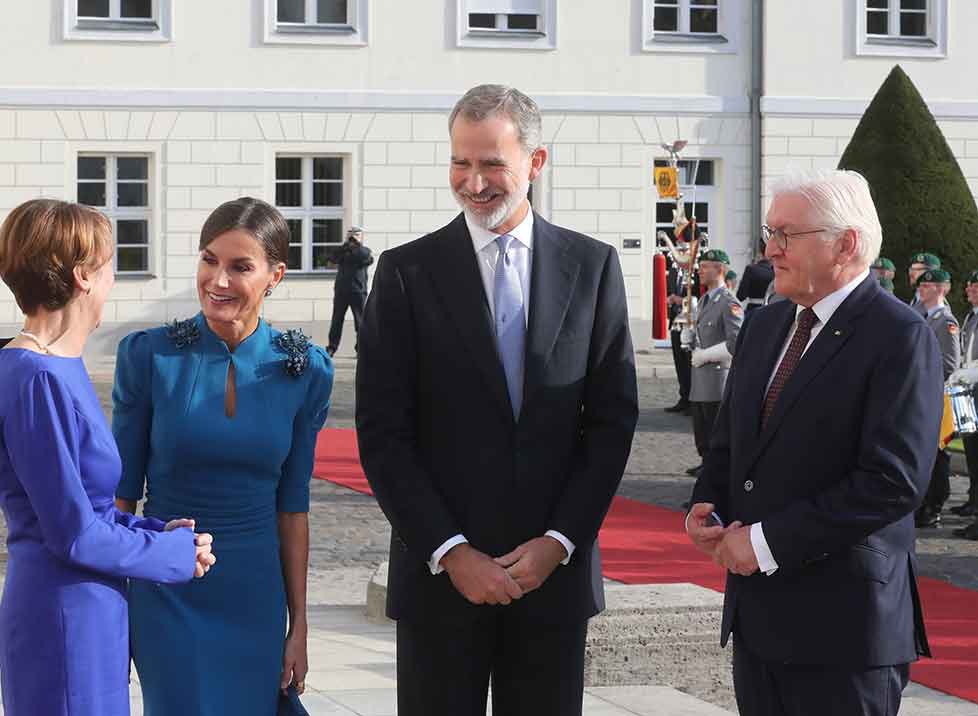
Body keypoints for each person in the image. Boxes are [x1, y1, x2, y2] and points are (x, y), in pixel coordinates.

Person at [355, 84, 639, 716]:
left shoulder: (592, 268)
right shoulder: (405, 274)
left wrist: (559, 542)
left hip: (553, 584)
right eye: (461, 161)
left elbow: (612, 423)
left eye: (491, 163)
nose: (473, 181)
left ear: (536, 163)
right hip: (440, 583)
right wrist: (451, 552)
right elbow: (382, 433)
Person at [686, 170, 938, 716]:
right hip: (759, 621)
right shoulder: (766, 324)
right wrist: (708, 504)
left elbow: (892, 482)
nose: (769, 249)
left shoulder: (898, 335)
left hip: (843, 629)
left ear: (845, 244)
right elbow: (733, 441)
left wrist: (763, 542)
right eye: (769, 232)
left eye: (786, 234)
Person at [0, 200, 215, 716]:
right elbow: (72, 531)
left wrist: (156, 533)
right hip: (65, 612)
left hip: (83, 605)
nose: (111, 283)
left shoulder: (42, 366)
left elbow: (82, 505)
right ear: (82, 276)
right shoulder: (37, 379)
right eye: (108, 268)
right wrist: (175, 558)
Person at [113, 197, 334, 715]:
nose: (219, 280)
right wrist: (113, 611)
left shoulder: (306, 370)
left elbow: (294, 505)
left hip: (255, 596)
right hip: (167, 587)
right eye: (209, 259)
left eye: (240, 267)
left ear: (275, 275)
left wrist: (298, 624)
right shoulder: (149, 357)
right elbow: (121, 499)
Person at [688, 249, 743, 477]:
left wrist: (707, 355)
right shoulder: (704, 300)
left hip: (717, 379)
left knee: (714, 433)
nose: (700, 271)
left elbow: (737, 341)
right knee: (702, 433)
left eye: (705, 267)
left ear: (719, 269)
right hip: (700, 379)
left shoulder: (729, 302)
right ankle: (705, 464)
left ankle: (712, 474)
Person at [913, 268, 960, 529]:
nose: (922, 289)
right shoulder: (923, 316)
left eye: (929, 286)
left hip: (937, 395)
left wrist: (921, 377)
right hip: (923, 394)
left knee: (939, 453)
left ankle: (935, 506)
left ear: (942, 289)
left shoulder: (946, 321)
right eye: (921, 285)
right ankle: (925, 503)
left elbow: (949, 363)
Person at [950, 270, 978, 530]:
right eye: (969, 285)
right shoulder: (971, 316)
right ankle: (973, 500)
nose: (969, 289)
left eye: (974, 285)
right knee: (971, 447)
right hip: (968, 389)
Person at [326, 225, 374, 357]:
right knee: (337, 320)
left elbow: (366, 258)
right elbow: (332, 259)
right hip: (342, 290)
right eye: (350, 236)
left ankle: (361, 348)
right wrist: (346, 246)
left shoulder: (364, 251)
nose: (352, 239)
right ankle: (332, 347)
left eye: (355, 236)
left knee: (360, 322)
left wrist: (356, 245)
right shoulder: (343, 250)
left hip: (358, 290)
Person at [665, 242, 698, 414]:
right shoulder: (673, 272)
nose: (681, 254)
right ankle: (684, 397)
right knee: (679, 361)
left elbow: (699, 296)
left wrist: (680, 299)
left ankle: (693, 400)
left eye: (685, 250)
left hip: (691, 323)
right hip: (676, 321)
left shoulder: (696, 272)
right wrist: (669, 300)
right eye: (679, 250)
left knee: (690, 362)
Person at [736, 250, 773, 315]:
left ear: (760, 254)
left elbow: (741, 296)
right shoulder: (774, 272)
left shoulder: (750, 269)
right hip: (770, 311)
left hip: (752, 310)